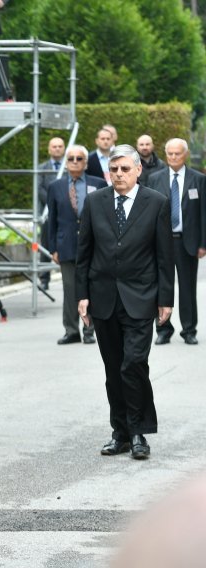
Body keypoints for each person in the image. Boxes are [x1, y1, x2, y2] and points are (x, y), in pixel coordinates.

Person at [76, 144, 174, 460]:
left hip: (141, 298)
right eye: (114, 169)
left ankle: (139, 432)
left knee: (133, 363)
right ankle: (119, 432)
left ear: (137, 170)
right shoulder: (94, 202)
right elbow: (84, 254)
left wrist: (166, 299)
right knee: (113, 368)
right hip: (103, 298)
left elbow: (164, 256)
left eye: (125, 169)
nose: (119, 174)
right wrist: (82, 296)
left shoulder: (156, 203)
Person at [147, 138, 206, 346]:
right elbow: (148, 212)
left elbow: (203, 214)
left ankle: (189, 329)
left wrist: (203, 243)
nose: (173, 157)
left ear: (185, 155)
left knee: (188, 288)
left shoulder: (198, 180)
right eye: (170, 153)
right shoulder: (154, 179)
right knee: (162, 285)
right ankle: (163, 329)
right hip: (161, 242)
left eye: (177, 154)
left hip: (186, 241)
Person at [46, 144, 106, 345]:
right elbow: (51, 220)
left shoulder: (98, 184)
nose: (74, 162)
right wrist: (53, 248)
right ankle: (71, 330)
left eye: (79, 158)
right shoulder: (55, 186)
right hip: (66, 246)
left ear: (86, 162)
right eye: (70, 158)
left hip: (94, 246)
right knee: (70, 289)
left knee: (92, 288)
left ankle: (89, 330)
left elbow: (105, 217)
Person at [37, 137, 67, 289]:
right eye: (54, 146)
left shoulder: (69, 167)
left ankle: (66, 279)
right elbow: (39, 188)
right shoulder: (41, 168)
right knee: (45, 244)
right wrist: (52, 201)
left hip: (66, 211)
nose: (57, 149)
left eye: (60, 146)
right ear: (49, 149)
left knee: (66, 244)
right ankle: (44, 279)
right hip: (47, 213)